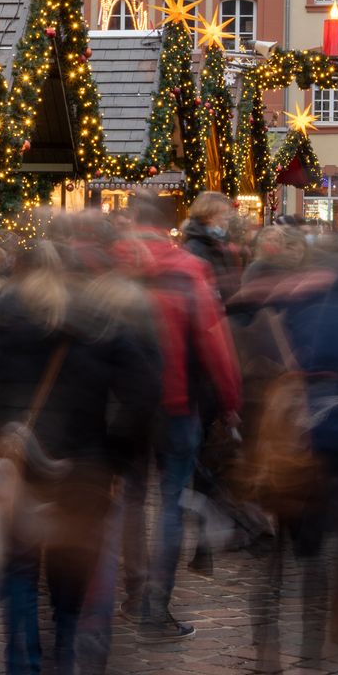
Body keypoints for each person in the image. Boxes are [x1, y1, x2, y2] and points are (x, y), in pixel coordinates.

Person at [0, 216, 160, 675]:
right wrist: (117, 460)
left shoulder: (5, 321)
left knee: (20, 581)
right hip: (83, 474)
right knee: (67, 595)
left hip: (22, 471)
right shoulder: (101, 326)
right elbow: (143, 397)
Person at [119, 189, 239, 642]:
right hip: (176, 400)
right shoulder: (187, 269)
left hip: (123, 403)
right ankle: (155, 607)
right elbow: (213, 340)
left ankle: (132, 591)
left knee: (130, 499)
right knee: (170, 503)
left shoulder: (113, 264)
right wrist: (230, 401)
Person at [181, 191, 244, 299]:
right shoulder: (195, 248)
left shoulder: (220, 244)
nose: (227, 222)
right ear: (209, 217)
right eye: (224, 216)